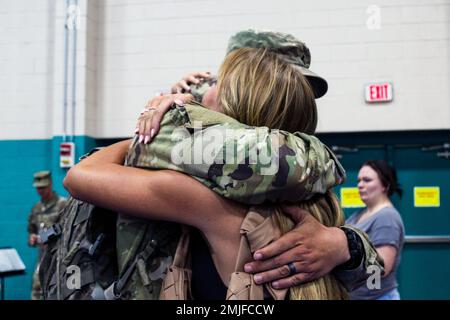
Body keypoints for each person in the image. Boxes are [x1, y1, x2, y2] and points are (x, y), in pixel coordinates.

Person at [64, 38, 381, 299]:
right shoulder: (315, 191)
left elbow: (79, 176)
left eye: (220, 85)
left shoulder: (205, 200)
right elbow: (376, 276)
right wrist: (347, 245)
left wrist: (156, 129)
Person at [346, 160, 405, 300]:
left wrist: (341, 257)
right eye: (359, 180)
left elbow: (380, 267)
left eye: (367, 180)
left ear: (385, 185)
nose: (360, 185)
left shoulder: (386, 217)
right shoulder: (359, 214)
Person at [27, 171, 67, 300]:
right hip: (43, 257)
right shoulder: (36, 208)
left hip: (60, 257)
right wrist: (32, 238)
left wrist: (48, 237)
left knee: (59, 291)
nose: (40, 191)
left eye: (43, 187)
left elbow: (67, 231)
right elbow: (32, 229)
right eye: (38, 188)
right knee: (37, 290)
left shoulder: (62, 204)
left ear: (50, 185)